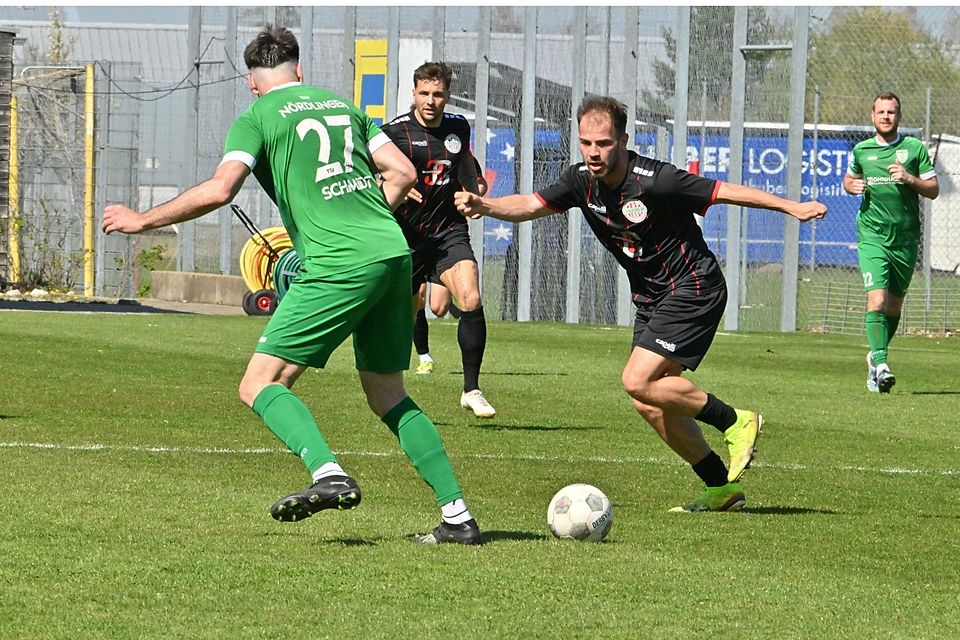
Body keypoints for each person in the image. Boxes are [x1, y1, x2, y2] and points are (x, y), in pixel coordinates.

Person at [101, 26, 480, 545]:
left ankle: (328, 473)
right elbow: (402, 174)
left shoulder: (257, 116)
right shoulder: (342, 106)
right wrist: (362, 217)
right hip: (392, 253)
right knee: (388, 392)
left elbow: (221, 189)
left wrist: (143, 220)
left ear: (252, 82)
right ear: (299, 70)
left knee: (259, 383)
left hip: (338, 262)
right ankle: (457, 516)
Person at [456, 96, 827, 512]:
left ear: (623, 140)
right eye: (586, 142)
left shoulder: (656, 180)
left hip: (693, 286)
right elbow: (530, 205)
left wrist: (790, 206)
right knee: (647, 400)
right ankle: (719, 487)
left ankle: (735, 421)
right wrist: (486, 206)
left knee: (637, 380)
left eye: (603, 143)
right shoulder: (580, 181)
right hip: (652, 298)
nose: (594, 152)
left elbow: (725, 192)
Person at [381, 62, 496, 418]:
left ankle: (472, 390)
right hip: (404, 237)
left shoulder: (458, 127)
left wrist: (474, 192)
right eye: (424, 93)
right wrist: (392, 186)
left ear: (448, 95)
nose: (431, 101)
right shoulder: (394, 132)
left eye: (438, 94)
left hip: (448, 231)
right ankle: (390, 391)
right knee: (402, 314)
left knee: (470, 297)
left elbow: (466, 164)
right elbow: (363, 172)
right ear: (414, 93)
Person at [843, 92, 939, 393]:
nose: (886, 117)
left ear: (899, 116)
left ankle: (875, 356)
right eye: (881, 112)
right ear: (873, 116)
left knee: (894, 307)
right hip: (872, 236)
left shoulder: (914, 149)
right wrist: (851, 186)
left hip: (906, 239)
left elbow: (933, 189)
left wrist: (910, 179)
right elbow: (849, 180)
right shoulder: (862, 150)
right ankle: (883, 364)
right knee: (877, 301)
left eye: (891, 112)